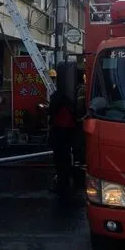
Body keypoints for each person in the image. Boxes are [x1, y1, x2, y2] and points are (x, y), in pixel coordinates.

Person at [48, 68, 77, 197]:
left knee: (59, 159)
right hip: (69, 132)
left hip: (59, 131)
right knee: (66, 157)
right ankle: (66, 180)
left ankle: (62, 183)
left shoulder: (56, 97)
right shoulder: (71, 97)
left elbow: (51, 113)